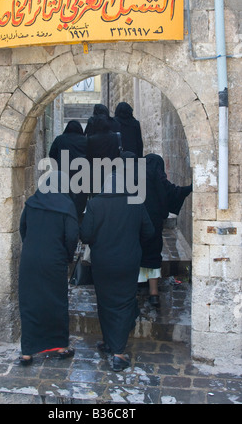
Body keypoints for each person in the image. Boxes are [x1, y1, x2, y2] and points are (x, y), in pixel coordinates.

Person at [80, 170, 154, 372]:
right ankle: (118, 353)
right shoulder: (135, 202)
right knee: (124, 302)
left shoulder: (95, 204)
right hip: (128, 261)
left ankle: (109, 343)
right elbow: (149, 231)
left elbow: (85, 235)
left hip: (103, 262)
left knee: (105, 301)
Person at [18, 171, 79, 365]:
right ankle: (61, 346)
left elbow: (23, 228)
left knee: (29, 303)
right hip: (54, 260)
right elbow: (71, 236)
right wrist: (67, 256)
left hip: (30, 259)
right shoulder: (67, 206)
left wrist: (31, 248)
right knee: (56, 301)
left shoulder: (31, 202)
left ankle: (27, 352)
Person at [139, 154, 192, 307]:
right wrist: (190, 188)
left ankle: (137, 286)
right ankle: (154, 294)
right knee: (153, 255)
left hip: (135, 221)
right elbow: (173, 192)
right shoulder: (158, 177)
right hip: (153, 223)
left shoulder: (134, 175)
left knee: (137, 252)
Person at [49, 120, 87, 219]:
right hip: (81, 173)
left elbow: (52, 154)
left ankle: (65, 217)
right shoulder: (85, 140)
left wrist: (57, 167)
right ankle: (77, 217)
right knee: (80, 196)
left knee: (65, 195)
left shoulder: (60, 139)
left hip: (64, 172)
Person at [86, 114, 121, 197]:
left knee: (96, 195)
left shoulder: (92, 139)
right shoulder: (115, 137)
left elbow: (88, 156)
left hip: (96, 171)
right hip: (112, 170)